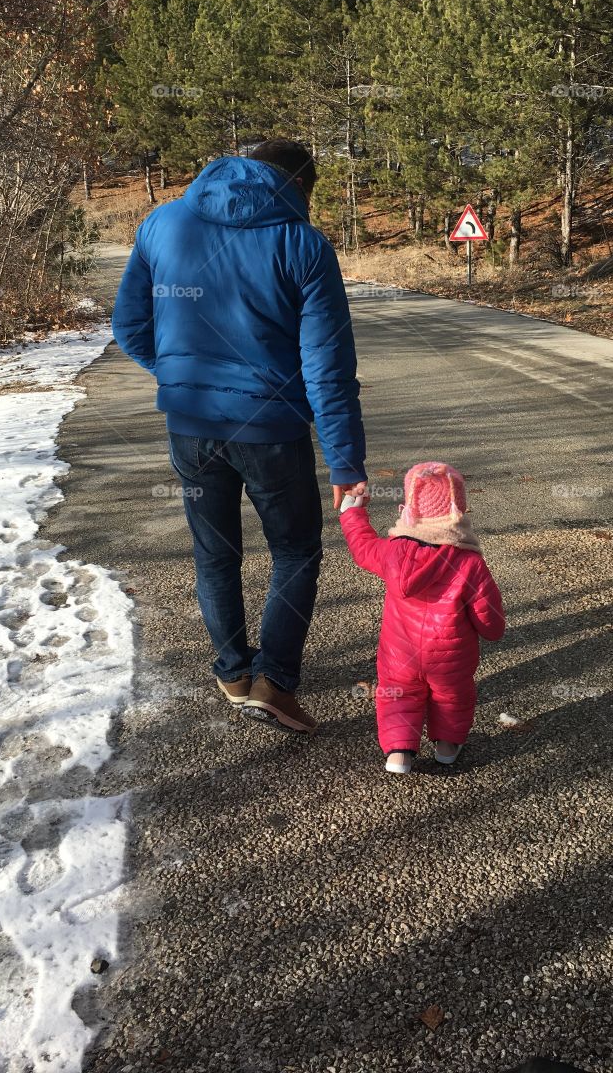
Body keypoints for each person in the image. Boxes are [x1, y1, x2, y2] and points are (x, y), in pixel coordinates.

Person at [112, 140, 367, 735]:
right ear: (299, 185)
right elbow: (327, 368)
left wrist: (182, 378)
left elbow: (129, 325)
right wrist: (345, 460)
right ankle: (273, 682)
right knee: (295, 550)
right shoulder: (303, 244)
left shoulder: (162, 223)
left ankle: (232, 673)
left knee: (215, 552)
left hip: (190, 425)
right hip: (272, 430)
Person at [339, 461, 504, 773]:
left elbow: (362, 547)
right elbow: (489, 620)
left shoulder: (393, 552)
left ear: (409, 509)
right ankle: (446, 747)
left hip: (399, 653)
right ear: (459, 511)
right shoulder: (468, 562)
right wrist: (493, 629)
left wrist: (352, 512)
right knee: (452, 697)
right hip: (451, 657)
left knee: (399, 695)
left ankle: (399, 753)